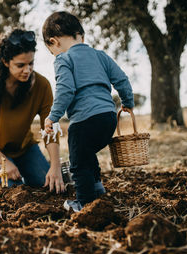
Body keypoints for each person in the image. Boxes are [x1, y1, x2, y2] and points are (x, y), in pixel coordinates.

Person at [42, 11, 134, 211]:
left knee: (78, 163)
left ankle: (85, 204)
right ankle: (97, 189)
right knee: (88, 153)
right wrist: (127, 103)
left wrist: (53, 116)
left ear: (53, 42)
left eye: (52, 51)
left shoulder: (63, 59)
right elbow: (122, 80)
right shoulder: (100, 55)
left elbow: (66, 90)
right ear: (81, 36)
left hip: (84, 120)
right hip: (108, 118)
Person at [0, 29, 65, 193]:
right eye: (20, 65)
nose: (27, 70)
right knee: (12, 190)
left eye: (31, 64)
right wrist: (4, 162)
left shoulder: (42, 86)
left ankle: (13, 169)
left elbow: (49, 128)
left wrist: (55, 166)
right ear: (6, 62)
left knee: (48, 183)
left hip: (23, 149)